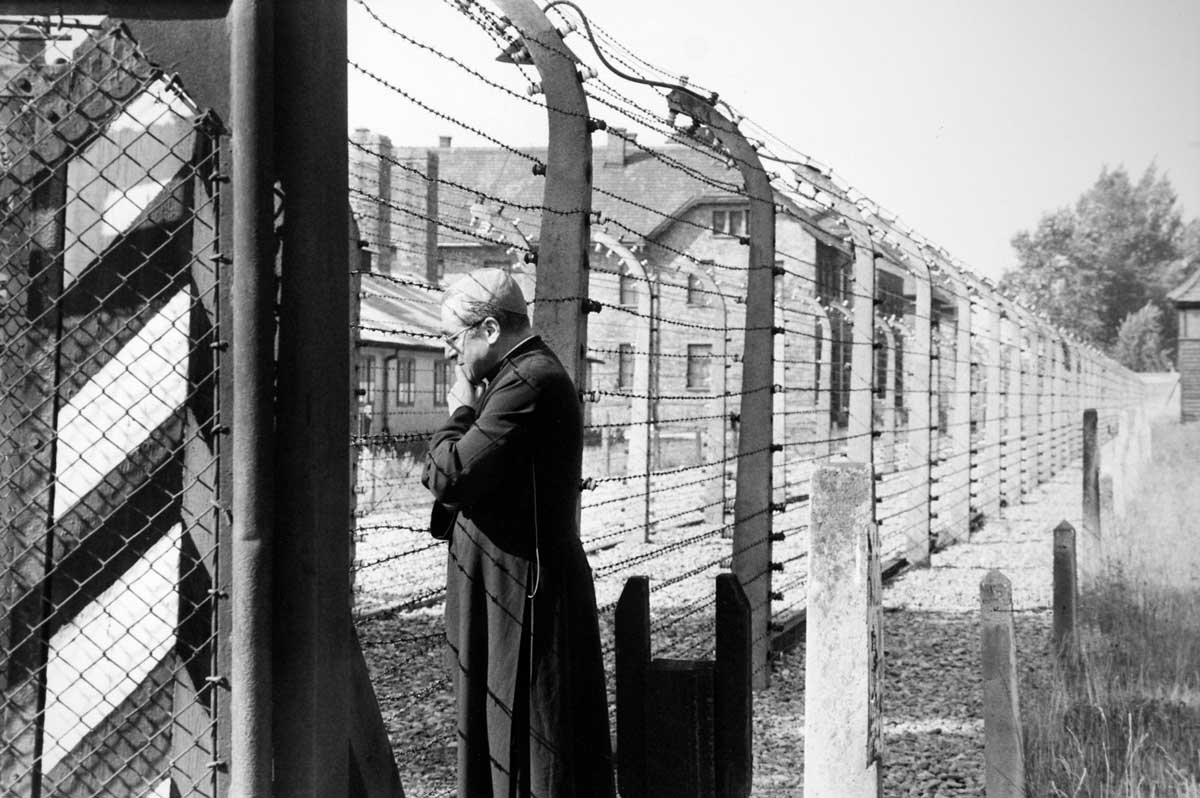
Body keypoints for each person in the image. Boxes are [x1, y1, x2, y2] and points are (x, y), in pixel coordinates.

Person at [421, 269, 615, 798]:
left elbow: (452, 475)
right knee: (508, 729)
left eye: (451, 340)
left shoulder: (526, 382)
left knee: (530, 738)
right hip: (508, 587)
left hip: (522, 594)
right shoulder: (517, 377)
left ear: (487, 327)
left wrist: (458, 409)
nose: (448, 355)